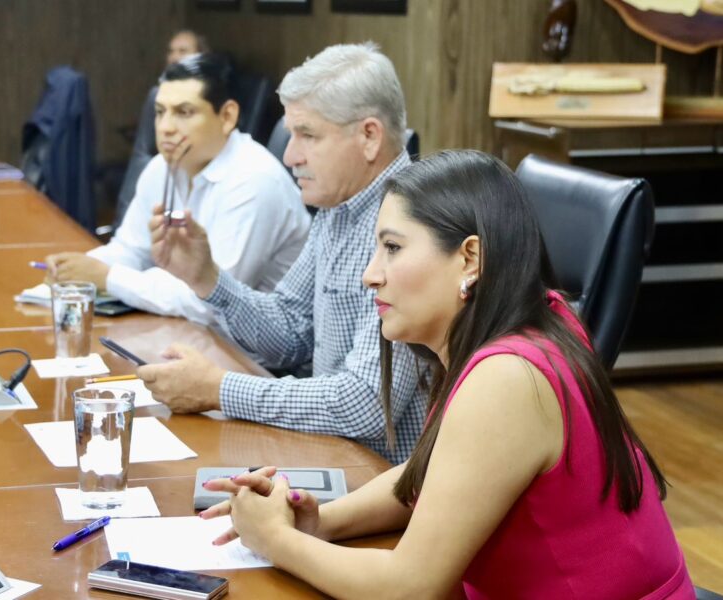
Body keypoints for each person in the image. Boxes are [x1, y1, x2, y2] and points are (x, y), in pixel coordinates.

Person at [202, 150, 694, 599]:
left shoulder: (508, 378)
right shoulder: (543, 316)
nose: (371, 273)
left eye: (393, 247)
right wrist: (318, 522)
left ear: (469, 259)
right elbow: (438, 473)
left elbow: (409, 589)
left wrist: (275, 538)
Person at [136, 43, 427, 464]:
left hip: (383, 479)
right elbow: (290, 332)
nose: (290, 156)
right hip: (329, 453)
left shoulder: (412, 226)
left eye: (307, 135)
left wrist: (218, 389)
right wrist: (207, 279)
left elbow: (365, 403)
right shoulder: (338, 209)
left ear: (369, 137)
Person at [47, 53, 308, 326]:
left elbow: (210, 301)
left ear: (227, 116)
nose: (166, 128)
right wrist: (77, 269)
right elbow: (132, 250)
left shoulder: (255, 181)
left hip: (247, 346)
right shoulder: (162, 168)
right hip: (184, 329)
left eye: (184, 112)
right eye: (160, 112)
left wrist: (107, 278)